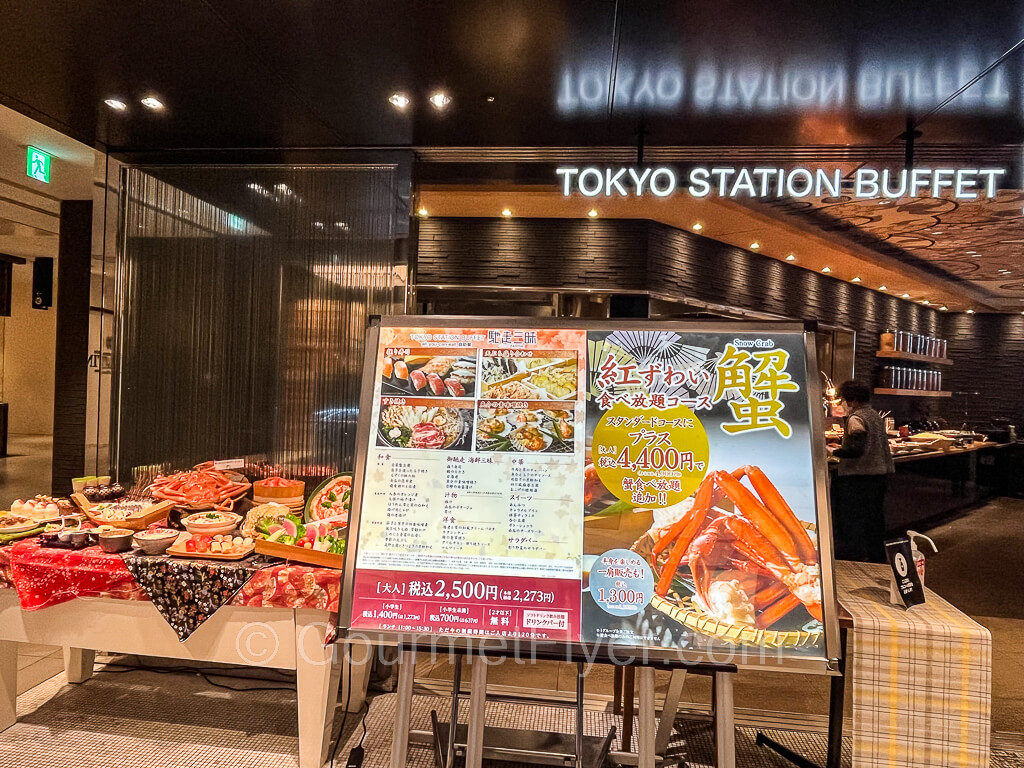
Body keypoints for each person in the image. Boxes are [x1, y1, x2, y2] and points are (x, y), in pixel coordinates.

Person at [827, 380, 894, 563]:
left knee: (852, 521)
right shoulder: (874, 415)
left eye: (844, 399)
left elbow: (856, 449)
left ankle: (854, 560)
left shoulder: (856, 418)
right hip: (879, 476)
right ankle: (877, 559)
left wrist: (833, 450)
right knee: (874, 521)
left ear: (853, 401)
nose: (843, 403)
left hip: (858, 478)